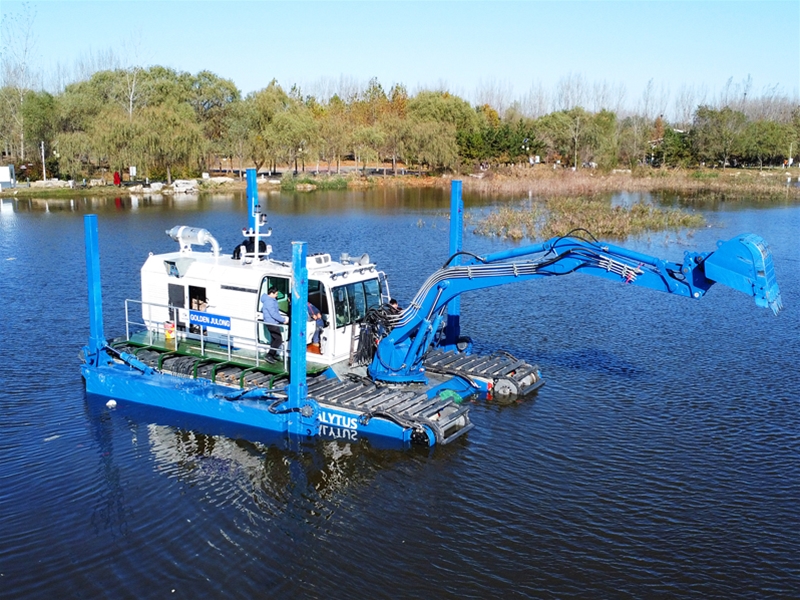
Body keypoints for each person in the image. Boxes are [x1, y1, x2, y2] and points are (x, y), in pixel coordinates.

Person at [261, 286, 288, 363]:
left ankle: (273, 354)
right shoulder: (269, 302)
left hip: (271, 322)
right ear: (271, 293)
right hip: (272, 323)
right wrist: (283, 320)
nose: (277, 295)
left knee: (274, 339)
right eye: (276, 294)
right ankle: (269, 355)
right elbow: (273, 314)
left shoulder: (269, 300)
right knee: (279, 339)